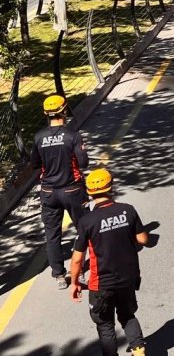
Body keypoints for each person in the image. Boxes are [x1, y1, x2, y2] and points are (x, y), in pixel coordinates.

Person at [70, 168, 148, 356]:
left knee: (105, 325)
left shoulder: (87, 221)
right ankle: (139, 352)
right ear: (111, 187)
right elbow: (143, 239)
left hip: (101, 284)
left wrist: (74, 282)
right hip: (128, 278)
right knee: (128, 316)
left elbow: (78, 258)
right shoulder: (128, 210)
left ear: (89, 192)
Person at [31, 94, 88, 289]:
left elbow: (35, 164)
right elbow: (83, 163)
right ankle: (78, 270)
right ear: (64, 111)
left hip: (48, 191)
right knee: (83, 229)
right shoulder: (73, 135)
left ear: (46, 114)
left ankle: (58, 275)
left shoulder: (38, 137)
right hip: (72, 189)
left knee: (52, 234)